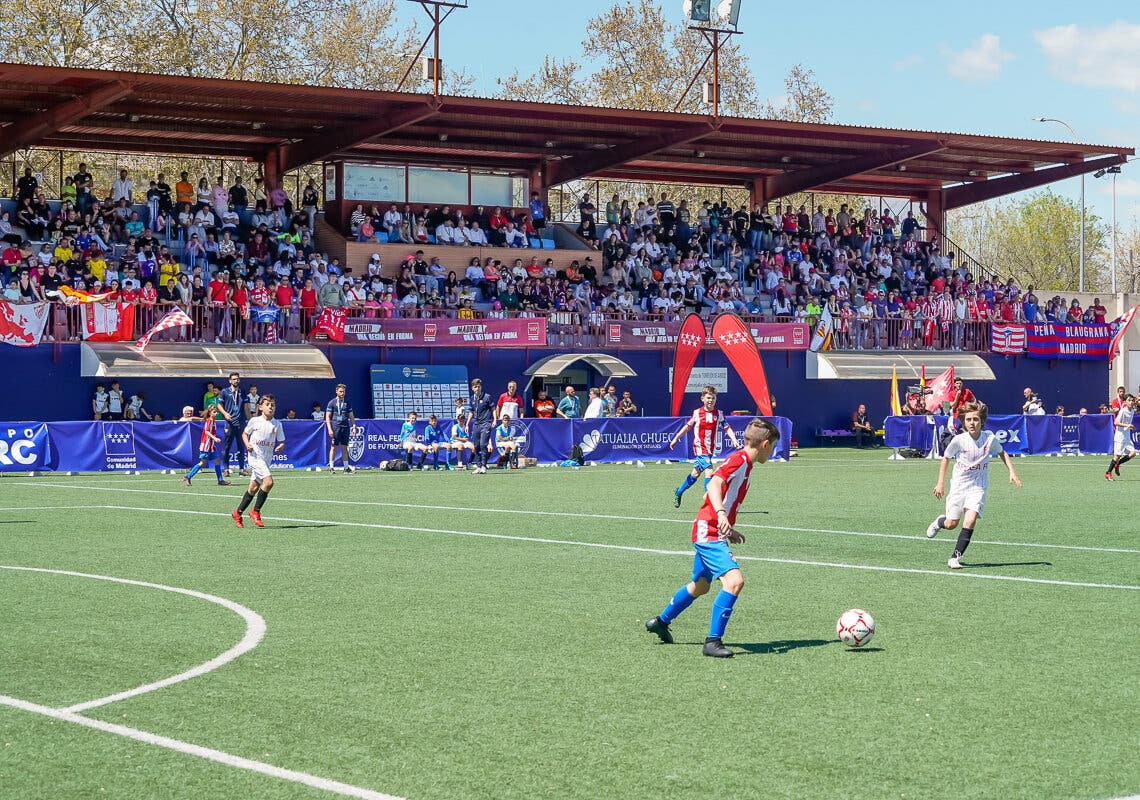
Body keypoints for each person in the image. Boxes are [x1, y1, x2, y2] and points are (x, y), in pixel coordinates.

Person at [644, 418, 781, 658]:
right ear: (765, 444)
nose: (772, 452)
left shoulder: (745, 464)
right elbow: (714, 483)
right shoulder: (739, 460)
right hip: (709, 530)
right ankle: (712, 642)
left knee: (700, 586)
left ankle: (661, 622)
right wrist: (720, 515)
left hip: (713, 529)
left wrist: (729, 526)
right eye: (773, 447)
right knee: (734, 581)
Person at [925, 401, 1022, 569]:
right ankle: (940, 522)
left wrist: (1012, 472)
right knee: (951, 524)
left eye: (975, 419)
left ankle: (955, 557)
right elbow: (946, 458)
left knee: (970, 520)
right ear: (964, 421)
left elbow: (1002, 452)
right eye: (968, 419)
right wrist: (940, 483)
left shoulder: (989, 439)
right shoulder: (959, 440)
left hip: (978, 486)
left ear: (981, 421)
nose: (972, 423)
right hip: (959, 486)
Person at [669, 386, 740, 508]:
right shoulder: (697, 413)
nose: (711, 400)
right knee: (709, 472)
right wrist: (676, 438)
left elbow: (727, 428)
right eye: (708, 398)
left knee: (695, 475)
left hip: (709, 450)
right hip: (700, 448)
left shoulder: (719, 414)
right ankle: (709, 500)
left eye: (713, 398)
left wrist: (734, 440)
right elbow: (687, 426)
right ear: (702, 398)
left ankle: (679, 492)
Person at [233, 394, 285, 529]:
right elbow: (244, 434)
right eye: (268, 405)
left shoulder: (277, 424)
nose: (271, 407)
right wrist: (247, 444)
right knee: (268, 482)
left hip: (267, 458)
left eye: (273, 405)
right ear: (261, 407)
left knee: (253, 487)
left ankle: (237, 512)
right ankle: (255, 511)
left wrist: (280, 446)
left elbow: (282, 441)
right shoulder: (255, 421)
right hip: (255, 456)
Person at [182, 405, 232, 487]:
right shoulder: (210, 421)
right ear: (210, 413)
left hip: (211, 446)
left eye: (217, 412)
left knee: (217, 461)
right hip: (206, 446)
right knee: (202, 463)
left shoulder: (212, 420)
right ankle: (187, 477)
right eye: (214, 412)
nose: (216, 413)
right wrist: (214, 438)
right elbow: (206, 432)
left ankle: (220, 480)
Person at [219, 372, 247, 477]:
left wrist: (250, 419)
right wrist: (225, 413)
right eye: (234, 379)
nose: (236, 381)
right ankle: (226, 469)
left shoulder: (242, 391)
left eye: (237, 379)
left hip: (241, 423)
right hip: (229, 423)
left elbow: (246, 405)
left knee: (241, 446)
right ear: (230, 381)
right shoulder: (224, 392)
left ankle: (241, 469)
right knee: (227, 447)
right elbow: (219, 404)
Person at [325, 383, 356, 473]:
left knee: (344, 447)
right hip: (336, 428)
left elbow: (351, 416)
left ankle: (346, 468)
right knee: (333, 447)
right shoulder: (332, 403)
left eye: (344, 392)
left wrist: (354, 426)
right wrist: (329, 429)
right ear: (336, 391)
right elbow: (327, 417)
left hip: (345, 427)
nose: (342, 393)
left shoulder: (347, 403)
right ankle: (331, 467)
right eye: (341, 391)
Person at [1105, 394, 1136, 481]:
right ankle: (1108, 473)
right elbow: (1116, 422)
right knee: (1117, 456)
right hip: (1120, 436)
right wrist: (1127, 425)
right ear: (1125, 402)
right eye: (1129, 400)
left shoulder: (1132, 411)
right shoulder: (1123, 411)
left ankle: (1117, 464)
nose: (1131, 402)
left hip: (1127, 436)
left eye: (1132, 400)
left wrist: (1130, 427)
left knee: (1133, 453)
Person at [469, 378, 496, 474]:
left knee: (483, 444)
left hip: (486, 423)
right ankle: (478, 466)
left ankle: (484, 465)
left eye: (479, 386)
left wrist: (494, 420)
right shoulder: (472, 399)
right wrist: (468, 424)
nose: (477, 388)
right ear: (472, 388)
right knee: (476, 446)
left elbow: (493, 409)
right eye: (475, 387)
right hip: (476, 424)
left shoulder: (487, 397)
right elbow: (471, 412)